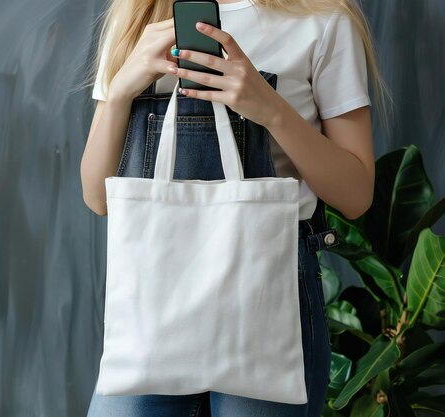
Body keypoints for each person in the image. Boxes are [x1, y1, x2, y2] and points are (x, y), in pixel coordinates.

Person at [80, 0, 391, 416]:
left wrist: (271, 109)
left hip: (269, 291)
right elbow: (96, 198)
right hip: (153, 295)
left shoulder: (322, 20)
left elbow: (356, 195)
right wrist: (122, 88)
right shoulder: (138, 14)